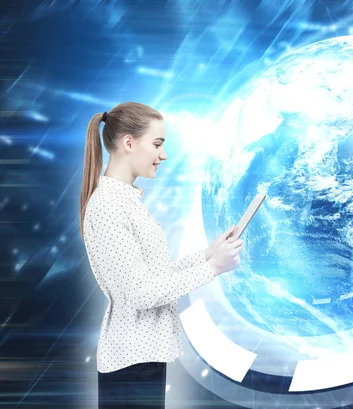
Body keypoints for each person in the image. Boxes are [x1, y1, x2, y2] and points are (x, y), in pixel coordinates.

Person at [79, 102, 243, 409]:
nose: (163, 155)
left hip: (144, 359)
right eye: (157, 144)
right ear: (129, 142)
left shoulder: (126, 202)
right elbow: (140, 294)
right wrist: (211, 269)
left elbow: (155, 275)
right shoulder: (107, 208)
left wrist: (208, 256)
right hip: (131, 363)